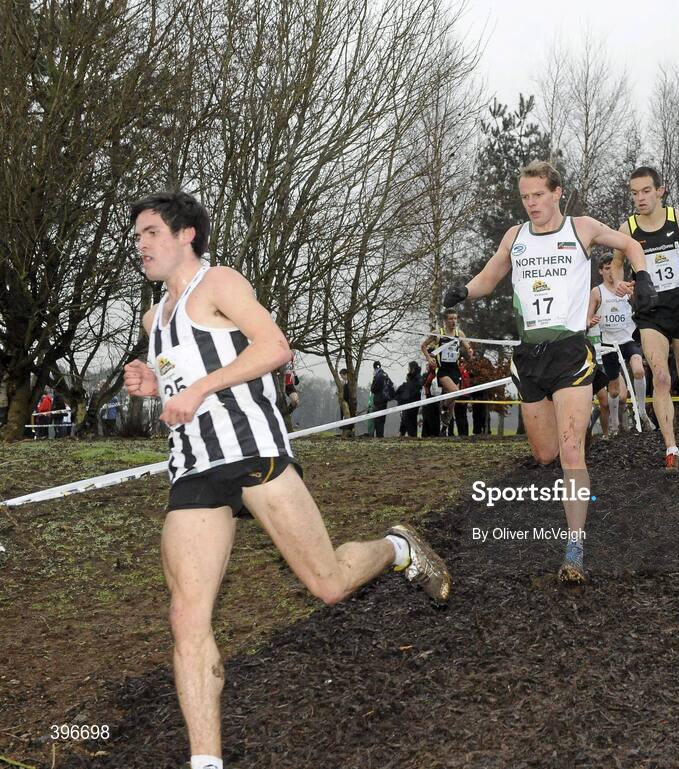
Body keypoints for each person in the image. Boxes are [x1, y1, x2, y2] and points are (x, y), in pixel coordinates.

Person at [122, 190, 450, 769]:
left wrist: (200, 388)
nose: (139, 243)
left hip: (252, 450)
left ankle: (398, 548)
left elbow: (274, 347)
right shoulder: (154, 318)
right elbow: (183, 381)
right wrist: (157, 385)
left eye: (150, 232)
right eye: (138, 234)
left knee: (327, 583)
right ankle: (205, 761)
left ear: (185, 236)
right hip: (194, 464)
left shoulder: (219, 283)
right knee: (186, 616)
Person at [443, 160, 647, 582]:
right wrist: (463, 291)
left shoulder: (582, 228)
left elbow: (630, 244)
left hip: (571, 352)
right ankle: (573, 472)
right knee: (545, 454)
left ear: (557, 192)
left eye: (538, 195)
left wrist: (641, 277)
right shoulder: (515, 237)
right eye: (525, 197)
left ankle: (574, 547)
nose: (531, 203)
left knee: (572, 453)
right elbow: (489, 276)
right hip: (529, 357)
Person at [611, 166, 679, 469]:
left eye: (645, 191)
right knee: (662, 377)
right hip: (650, 313)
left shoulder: (678, 219)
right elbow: (616, 264)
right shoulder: (627, 229)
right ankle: (671, 448)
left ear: (659, 191)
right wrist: (619, 283)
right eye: (634, 192)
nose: (639, 198)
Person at [587, 253, 647, 437]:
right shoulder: (597, 292)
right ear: (600, 271)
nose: (611, 272)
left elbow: (640, 308)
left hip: (628, 339)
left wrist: (636, 297)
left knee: (638, 370)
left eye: (613, 268)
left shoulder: (627, 287)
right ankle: (613, 423)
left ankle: (642, 412)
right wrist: (590, 321)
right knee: (614, 390)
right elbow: (587, 318)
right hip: (609, 344)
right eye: (606, 269)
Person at [422, 310, 474, 434]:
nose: (453, 321)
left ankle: (444, 425)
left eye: (455, 318)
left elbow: (468, 347)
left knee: (452, 401)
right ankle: (444, 407)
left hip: (454, 370)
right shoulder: (438, 333)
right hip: (442, 369)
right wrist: (429, 358)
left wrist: (470, 351)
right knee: (455, 393)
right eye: (451, 318)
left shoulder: (459, 333)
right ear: (445, 320)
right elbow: (423, 346)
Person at [395, 361, 423, 437]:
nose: (408, 369)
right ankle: (401, 433)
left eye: (409, 368)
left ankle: (412, 436)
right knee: (405, 418)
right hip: (407, 403)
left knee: (410, 422)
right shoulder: (412, 378)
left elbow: (414, 390)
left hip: (413, 404)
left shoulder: (418, 379)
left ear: (412, 369)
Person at [369, 361, 393, 437]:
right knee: (382, 421)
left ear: (374, 368)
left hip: (378, 401)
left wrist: (373, 379)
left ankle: (379, 437)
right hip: (385, 401)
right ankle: (381, 436)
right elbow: (391, 385)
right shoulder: (386, 374)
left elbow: (373, 389)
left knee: (378, 421)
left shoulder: (378, 376)